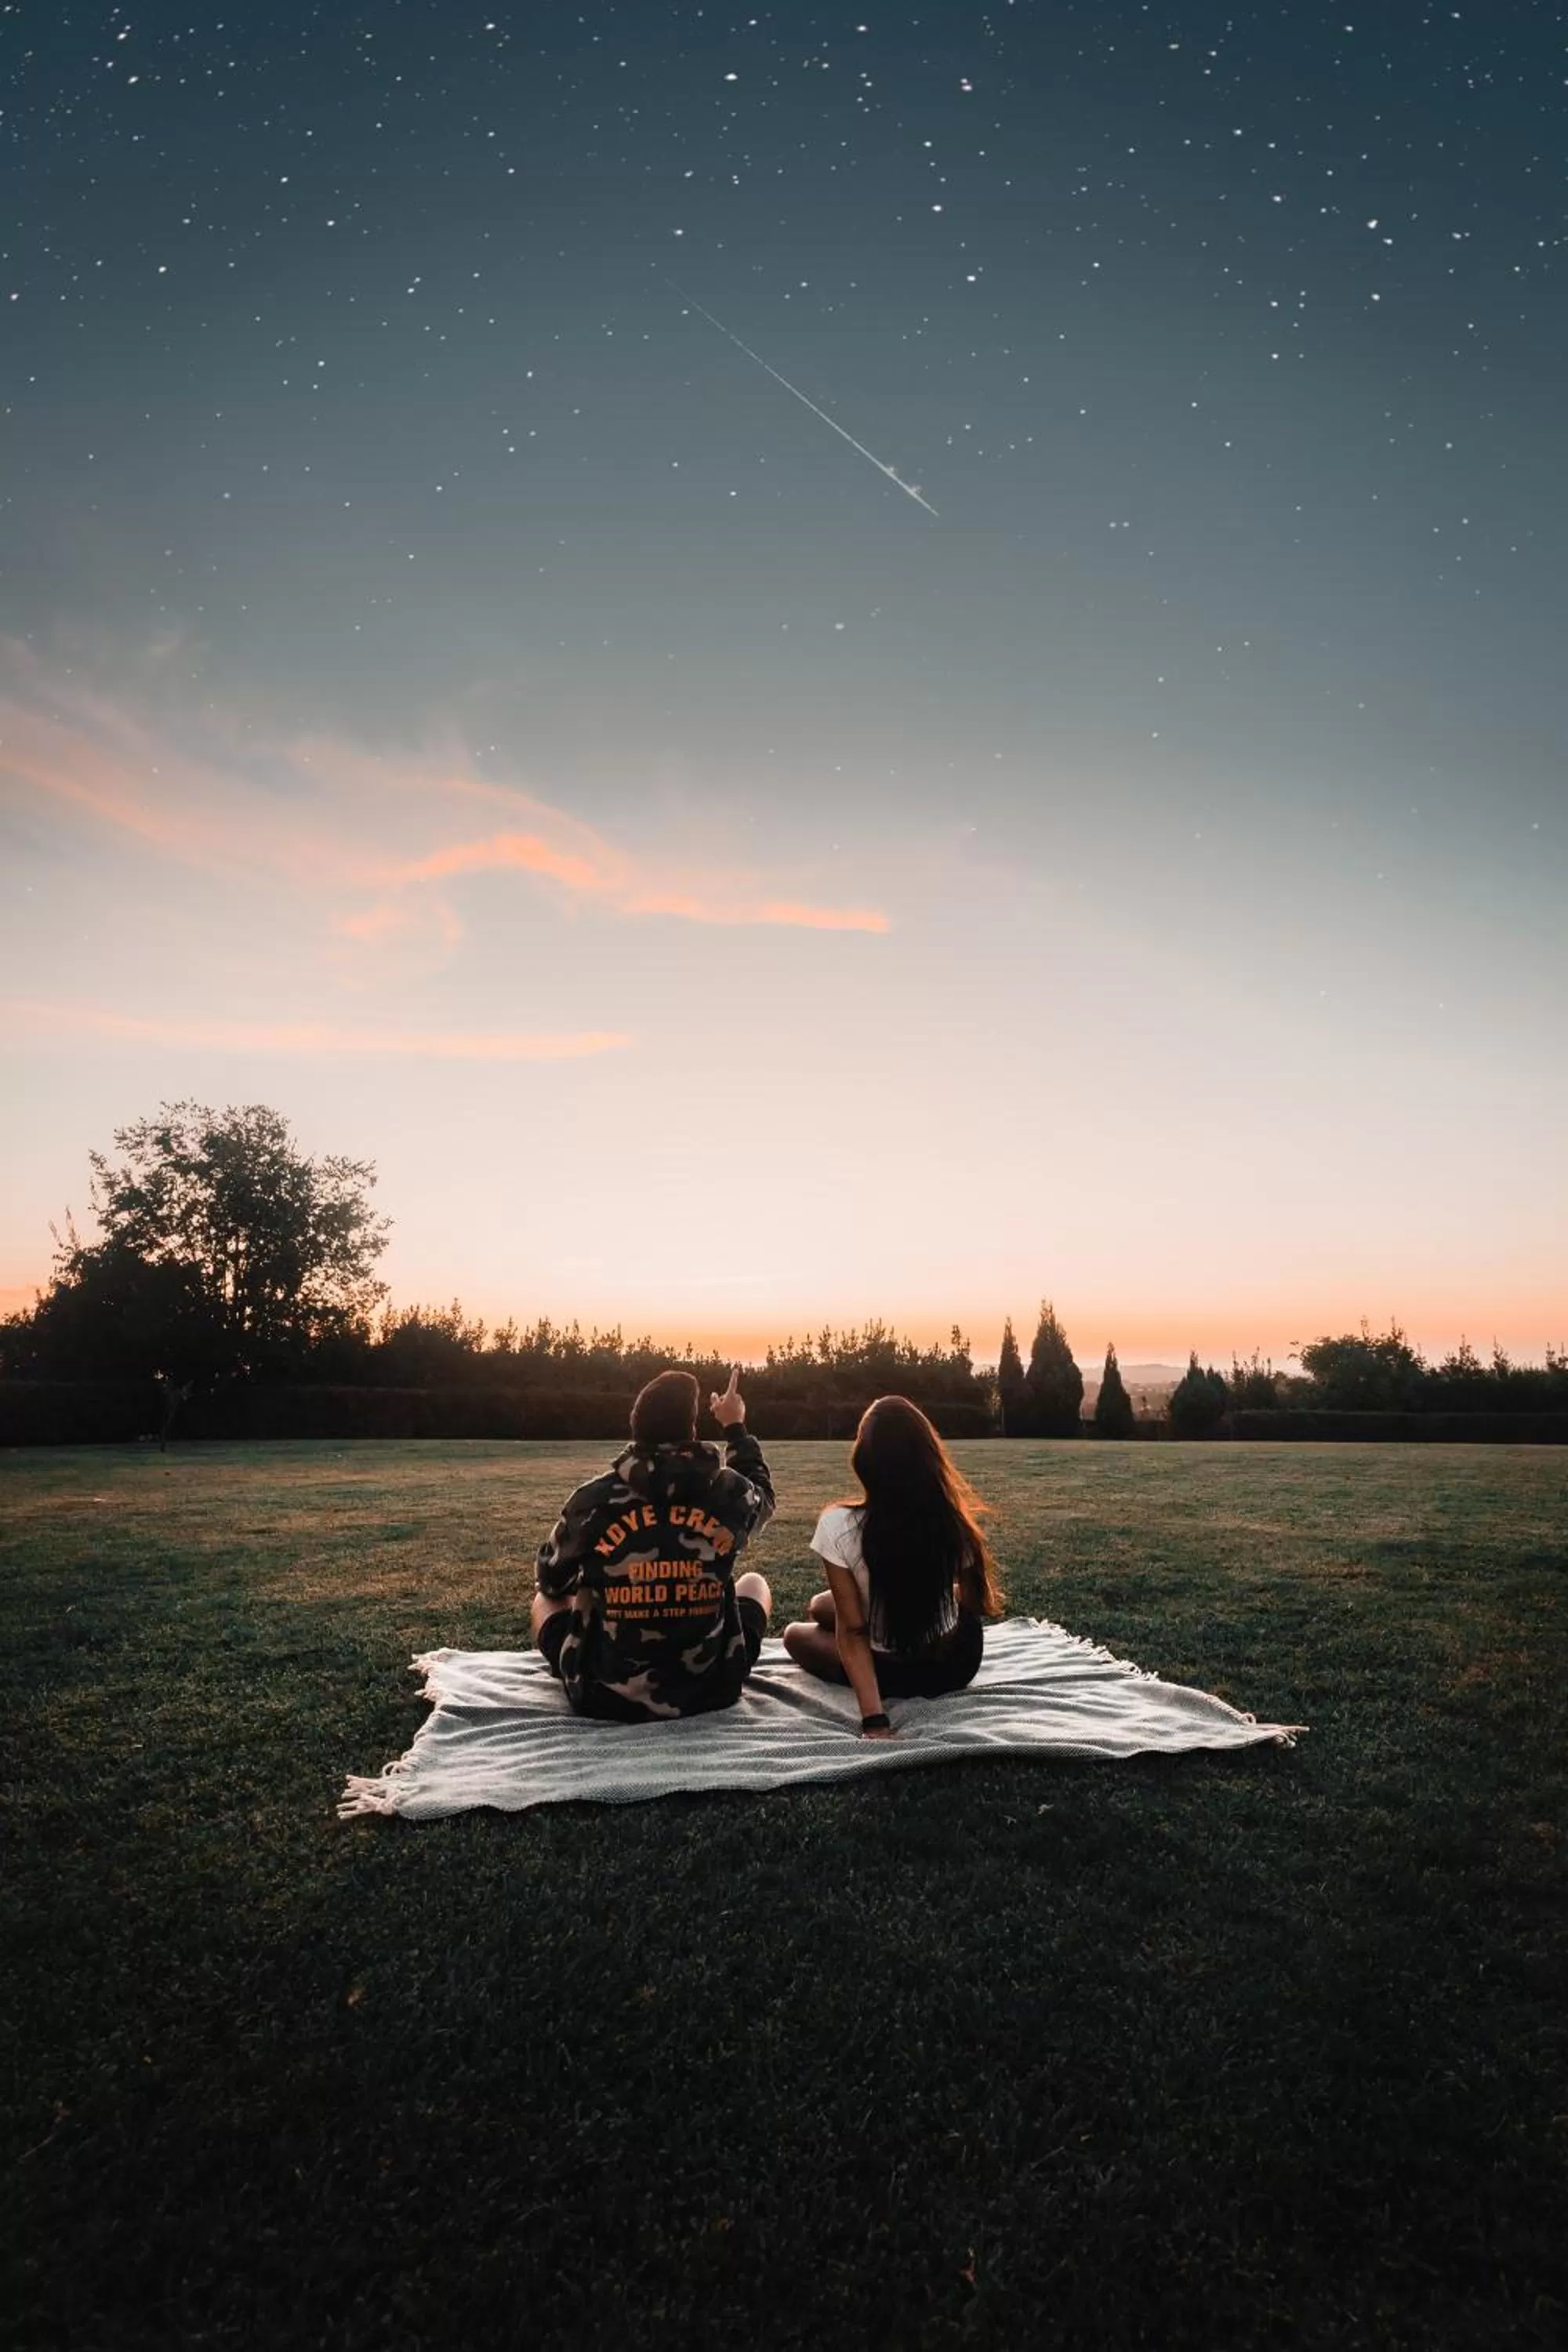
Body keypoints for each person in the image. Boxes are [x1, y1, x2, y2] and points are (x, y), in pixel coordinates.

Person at [531, 1366, 774, 1722]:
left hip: (605, 1696)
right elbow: (764, 1500)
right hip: (712, 1690)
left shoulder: (592, 1499)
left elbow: (552, 1580)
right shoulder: (730, 1492)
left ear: (635, 1426)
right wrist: (735, 1427)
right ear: (692, 1430)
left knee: (544, 1599)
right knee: (754, 1584)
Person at [782, 1395, 1004, 1737]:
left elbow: (853, 1632)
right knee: (820, 1605)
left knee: (795, 1633)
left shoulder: (838, 1525)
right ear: (929, 1457)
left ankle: (887, 1621)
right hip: (955, 1665)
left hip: (892, 1672)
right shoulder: (952, 1520)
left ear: (864, 1460)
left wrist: (875, 1720)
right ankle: (893, 1615)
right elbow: (975, 1601)